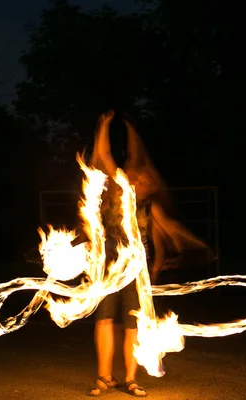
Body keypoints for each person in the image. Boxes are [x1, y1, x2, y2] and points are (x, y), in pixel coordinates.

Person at [87, 111, 208, 397]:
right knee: (104, 319)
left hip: (136, 269)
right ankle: (104, 377)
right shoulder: (114, 195)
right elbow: (103, 154)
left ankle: (130, 378)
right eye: (135, 178)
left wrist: (197, 246)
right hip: (107, 264)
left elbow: (171, 230)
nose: (140, 181)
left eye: (143, 180)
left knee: (133, 324)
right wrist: (105, 126)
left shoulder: (148, 208)